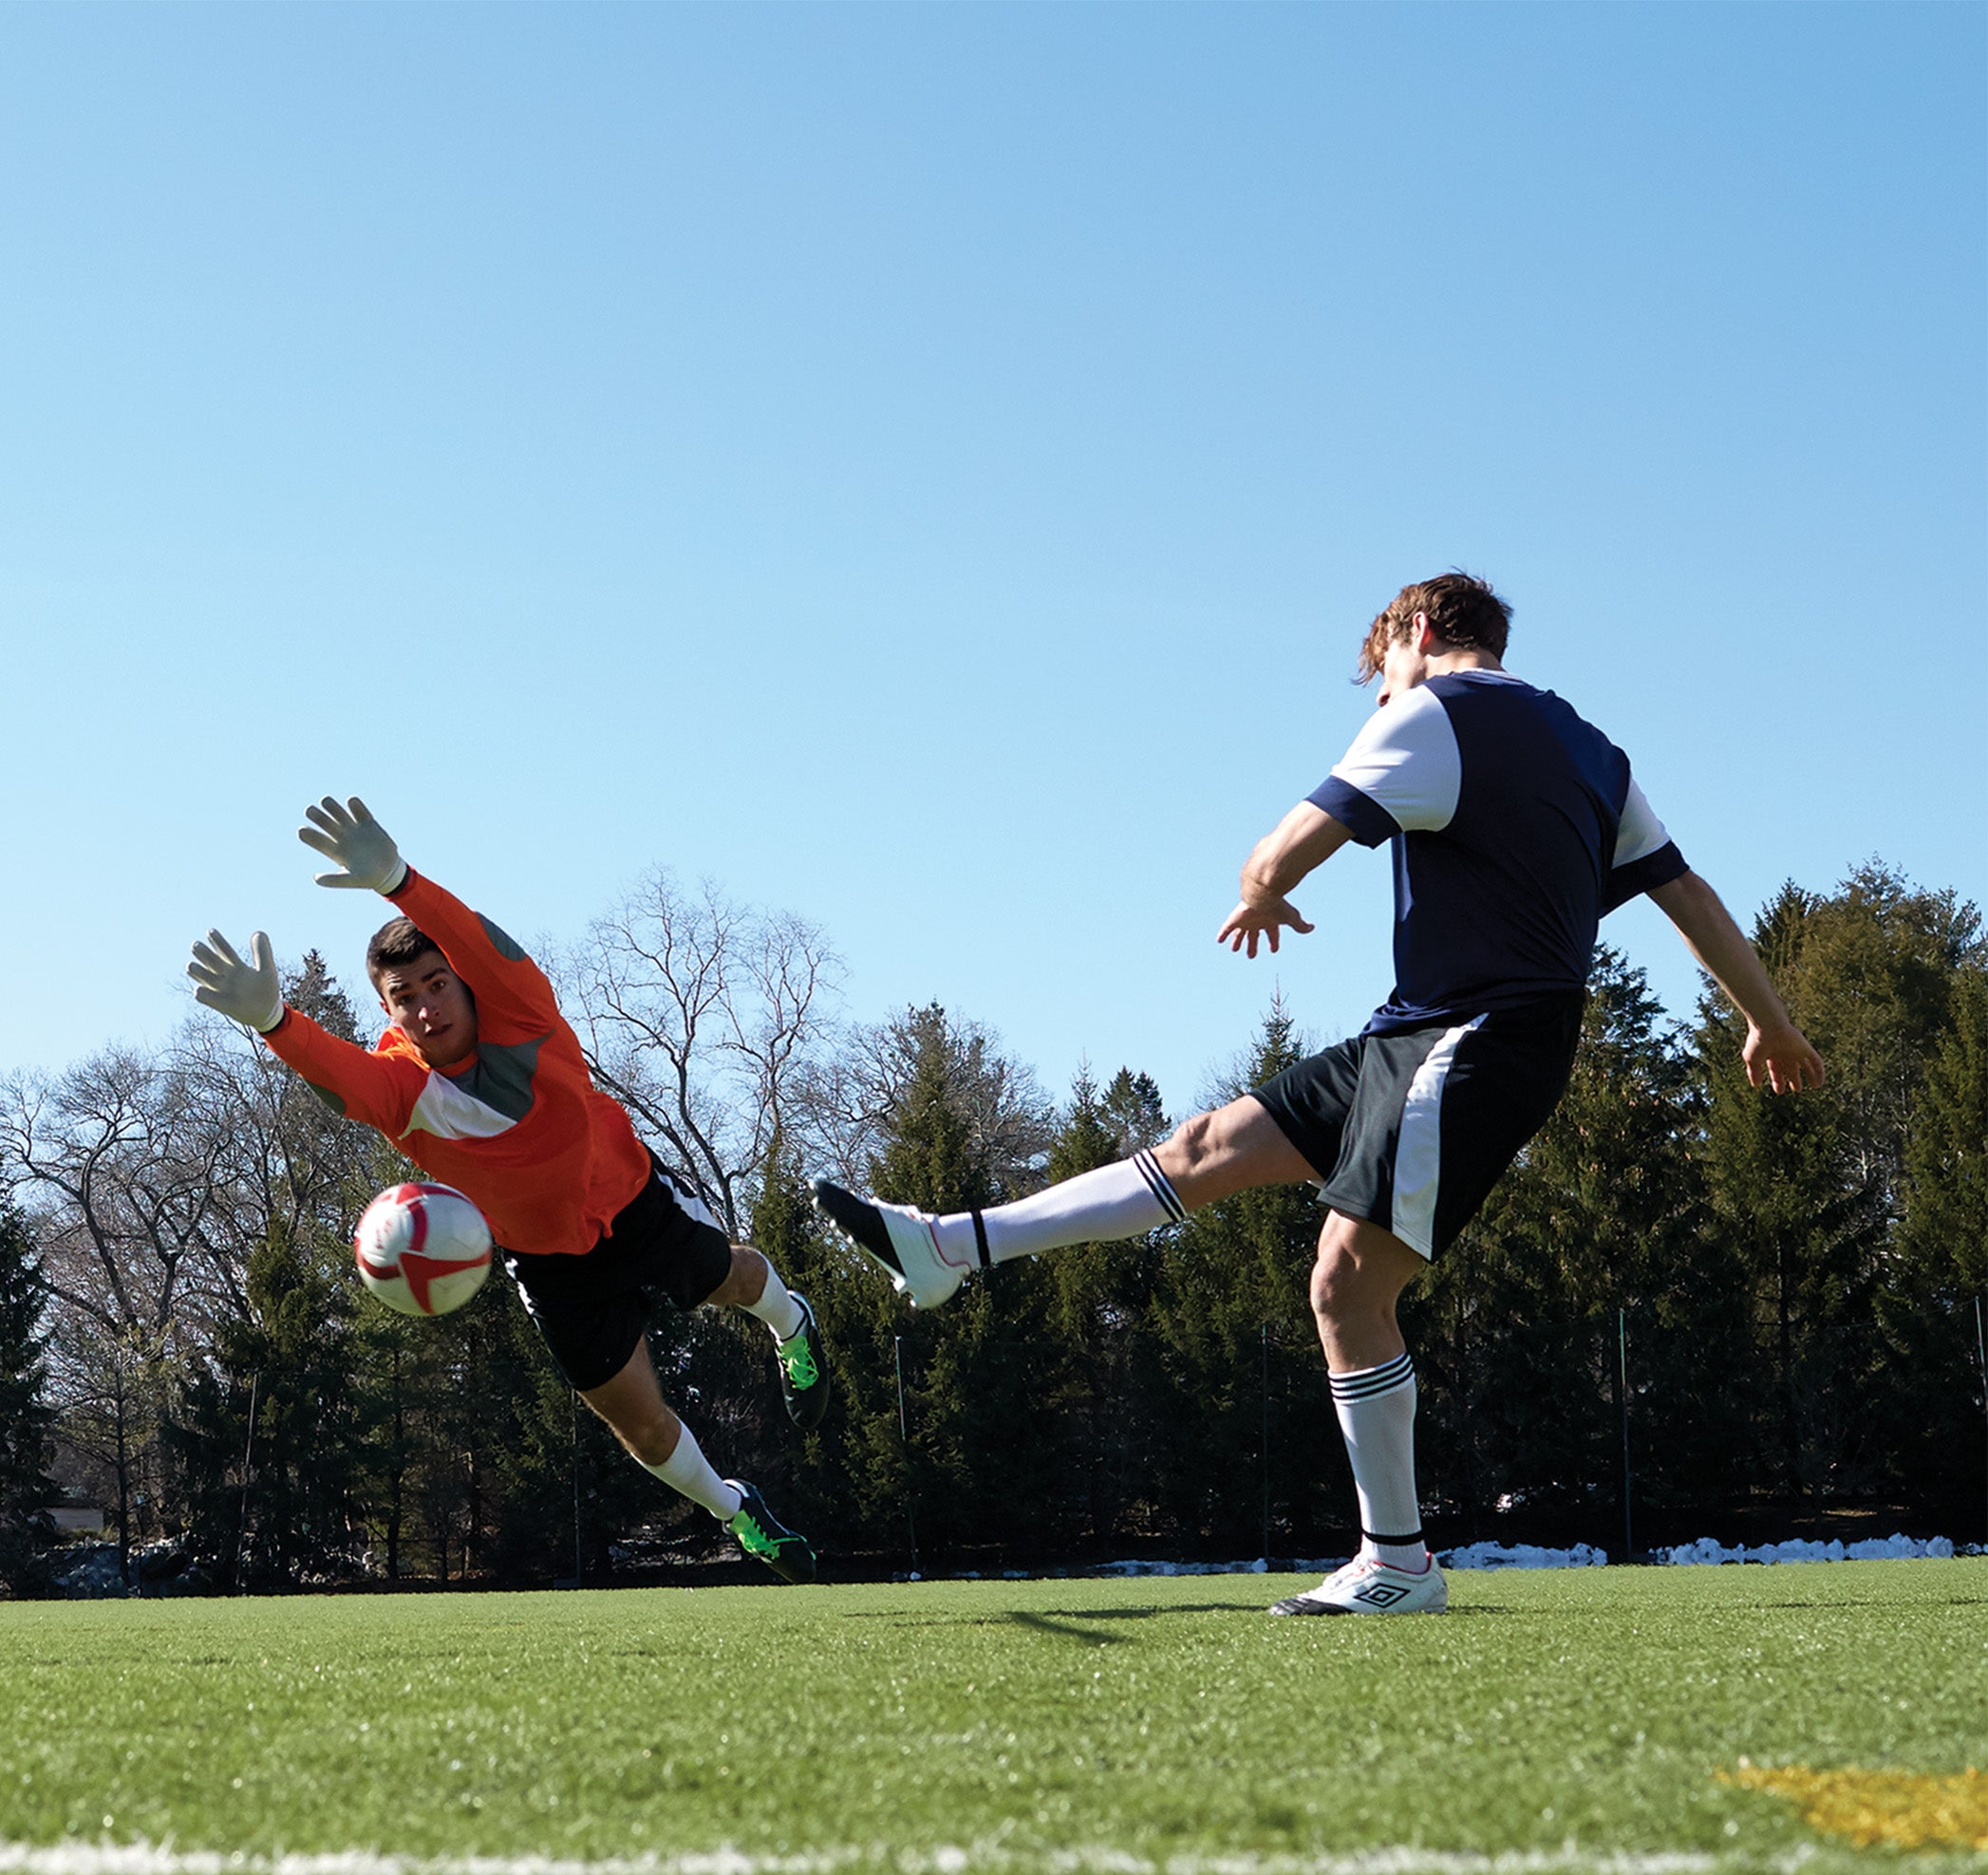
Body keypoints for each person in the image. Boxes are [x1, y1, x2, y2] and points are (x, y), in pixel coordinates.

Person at [814, 572, 1824, 1615]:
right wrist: (1769, 1019)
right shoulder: (1594, 750)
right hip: (1421, 1032)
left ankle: (1398, 1561)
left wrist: (1262, 888)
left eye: (1380, 668)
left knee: (1344, 1284)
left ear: (1417, 633)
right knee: (1202, 1148)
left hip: (1477, 1037)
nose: (1377, 693)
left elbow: (1279, 850)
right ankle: (949, 1248)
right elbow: (1684, 890)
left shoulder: (1429, 714)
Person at [185, 797, 829, 1583]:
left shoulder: (523, 1013)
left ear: (464, 983)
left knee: (737, 1280)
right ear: (388, 1011)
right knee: (644, 1431)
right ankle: (739, 1513)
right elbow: (337, 1071)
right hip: (550, 1266)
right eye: (405, 998)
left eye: (437, 984)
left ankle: (793, 1326)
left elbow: (477, 942)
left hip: (629, 1199)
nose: (427, 1008)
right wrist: (274, 1021)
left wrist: (398, 880)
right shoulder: (400, 1090)